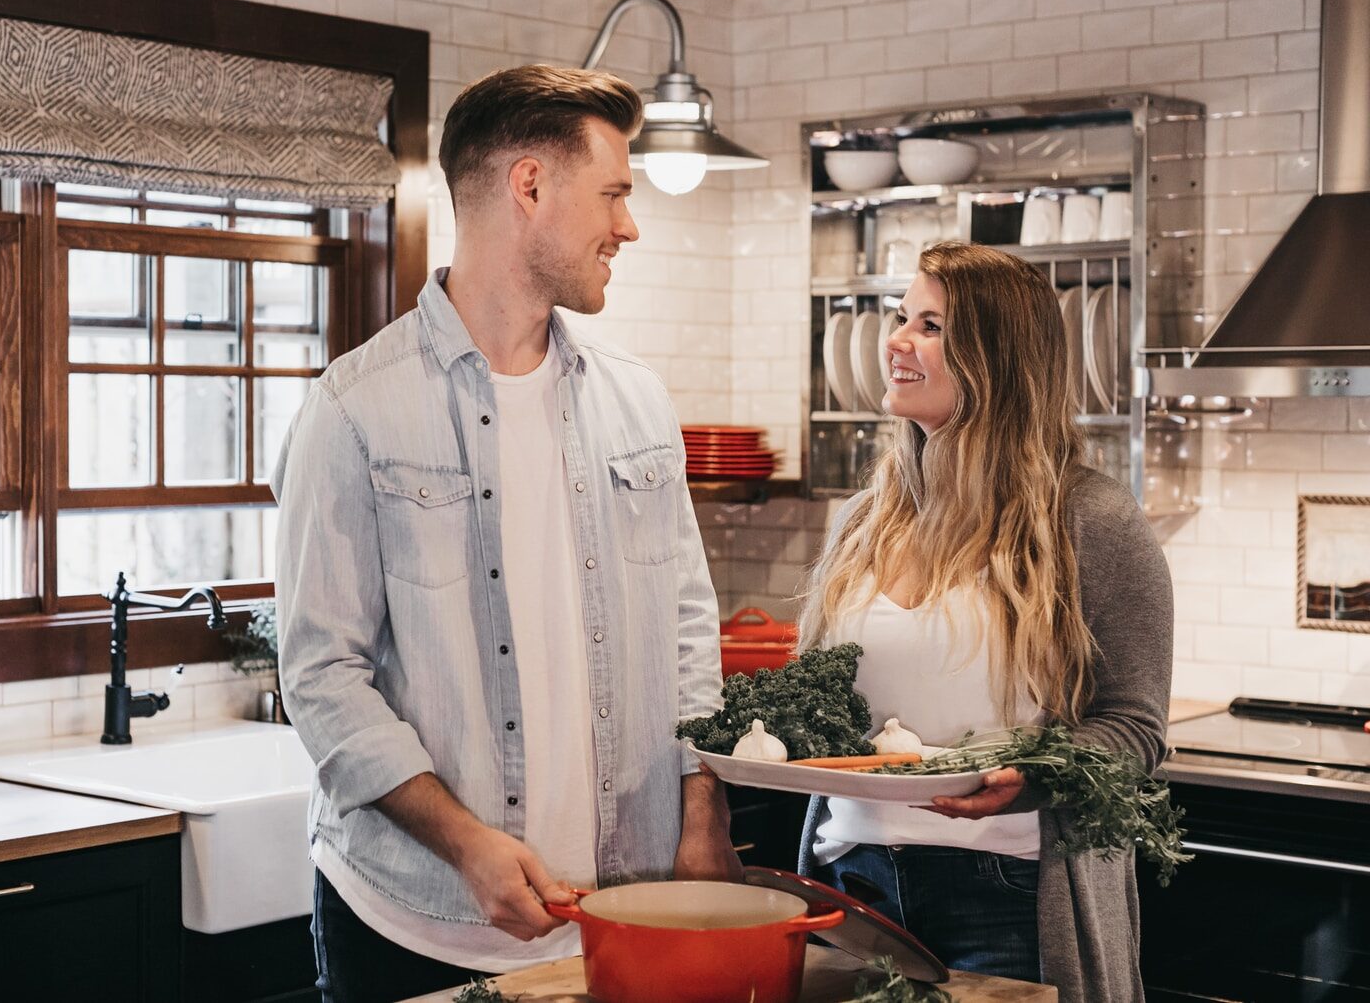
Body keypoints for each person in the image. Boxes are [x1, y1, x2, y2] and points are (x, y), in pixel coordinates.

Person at [271, 64, 740, 1003]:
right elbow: (321, 675)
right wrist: (468, 845)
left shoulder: (636, 400)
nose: (629, 225)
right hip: (416, 924)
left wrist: (702, 804)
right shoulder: (354, 412)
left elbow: (689, 625)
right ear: (530, 185)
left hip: (620, 915)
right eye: (613, 193)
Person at [795, 242, 1172, 1003]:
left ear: (998, 358)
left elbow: (1135, 725)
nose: (896, 340)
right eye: (902, 317)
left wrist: (1033, 776)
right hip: (850, 879)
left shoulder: (1092, 521)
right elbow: (822, 708)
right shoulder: (864, 520)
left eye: (930, 326)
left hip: (1007, 892)